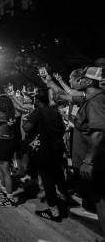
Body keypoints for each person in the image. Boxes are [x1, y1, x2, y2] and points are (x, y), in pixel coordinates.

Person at [23, 89, 69, 222]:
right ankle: (64, 197)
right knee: (58, 174)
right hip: (57, 148)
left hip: (44, 150)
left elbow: (27, 128)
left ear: (37, 100)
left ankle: (54, 212)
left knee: (47, 179)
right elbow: (62, 128)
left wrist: (25, 122)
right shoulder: (55, 112)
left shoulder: (37, 112)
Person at [71, 67, 105, 237]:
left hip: (97, 164)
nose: (78, 80)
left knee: (100, 199)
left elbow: (98, 131)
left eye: (81, 78)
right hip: (96, 163)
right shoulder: (90, 99)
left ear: (89, 81)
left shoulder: (96, 101)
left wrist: (88, 161)